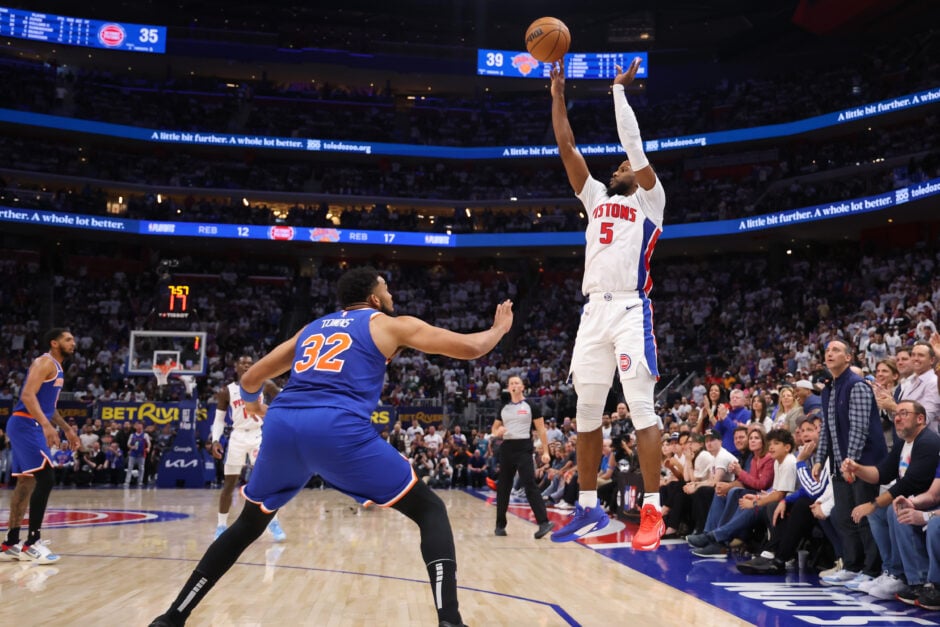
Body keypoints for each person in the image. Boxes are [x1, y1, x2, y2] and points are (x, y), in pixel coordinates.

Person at [149, 267, 513, 627]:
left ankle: (171, 617)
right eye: (386, 289)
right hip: (336, 427)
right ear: (373, 298)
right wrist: (498, 329)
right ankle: (450, 620)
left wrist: (256, 406)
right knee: (430, 510)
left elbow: (250, 378)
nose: (391, 296)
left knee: (247, 525)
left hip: (283, 424)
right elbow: (470, 348)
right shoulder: (388, 323)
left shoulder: (311, 329)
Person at [548, 56, 667, 550]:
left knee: (640, 407)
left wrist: (618, 91)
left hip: (629, 309)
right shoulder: (595, 197)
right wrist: (557, 99)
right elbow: (567, 145)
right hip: (592, 311)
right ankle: (589, 508)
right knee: (587, 412)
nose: (621, 167)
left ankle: (653, 510)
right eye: (619, 166)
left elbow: (633, 144)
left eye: (626, 166)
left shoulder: (649, 200)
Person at [0, 328, 82, 564]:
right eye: (68, 339)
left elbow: (47, 406)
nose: (73, 343)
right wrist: (46, 426)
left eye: (73, 339)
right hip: (27, 424)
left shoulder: (57, 367)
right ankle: (32, 542)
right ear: (54, 343)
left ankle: (11, 542)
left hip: (28, 423)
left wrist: (66, 428)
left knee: (27, 481)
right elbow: (27, 395)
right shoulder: (44, 362)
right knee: (46, 478)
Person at [814, 339, 888, 588]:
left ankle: (872, 569)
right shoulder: (828, 390)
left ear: (849, 358)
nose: (829, 353)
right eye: (827, 351)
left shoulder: (856, 385)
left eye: (836, 350)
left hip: (863, 464)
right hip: (839, 463)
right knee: (844, 516)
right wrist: (819, 459)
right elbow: (826, 429)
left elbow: (859, 427)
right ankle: (852, 566)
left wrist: (852, 462)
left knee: (864, 517)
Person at [210, 355, 285, 541]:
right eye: (242, 363)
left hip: (258, 434)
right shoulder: (226, 391)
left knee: (267, 482)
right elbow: (219, 420)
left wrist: (275, 415)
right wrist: (215, 440)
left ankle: (273, 523)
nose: (246, 366)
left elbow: (284, 397)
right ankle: (221, 526)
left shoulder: (265, 384)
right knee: (229, 484)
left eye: (250, 363)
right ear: (236, 367)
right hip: (237, 435)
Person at [491, 375, 554, 539]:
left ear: (523, 387)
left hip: (524, 447)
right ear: (508, 387)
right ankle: (500, 525)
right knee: (503, 486)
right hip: (506, 448)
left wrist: (546, 451)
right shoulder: (503, 407)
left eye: (517, 383)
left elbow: (541, 430)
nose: (514, 385)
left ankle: (543, 522)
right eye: (511, 383)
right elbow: (494, 428)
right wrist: (496, 433)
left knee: (530, 483)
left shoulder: (531, 405)